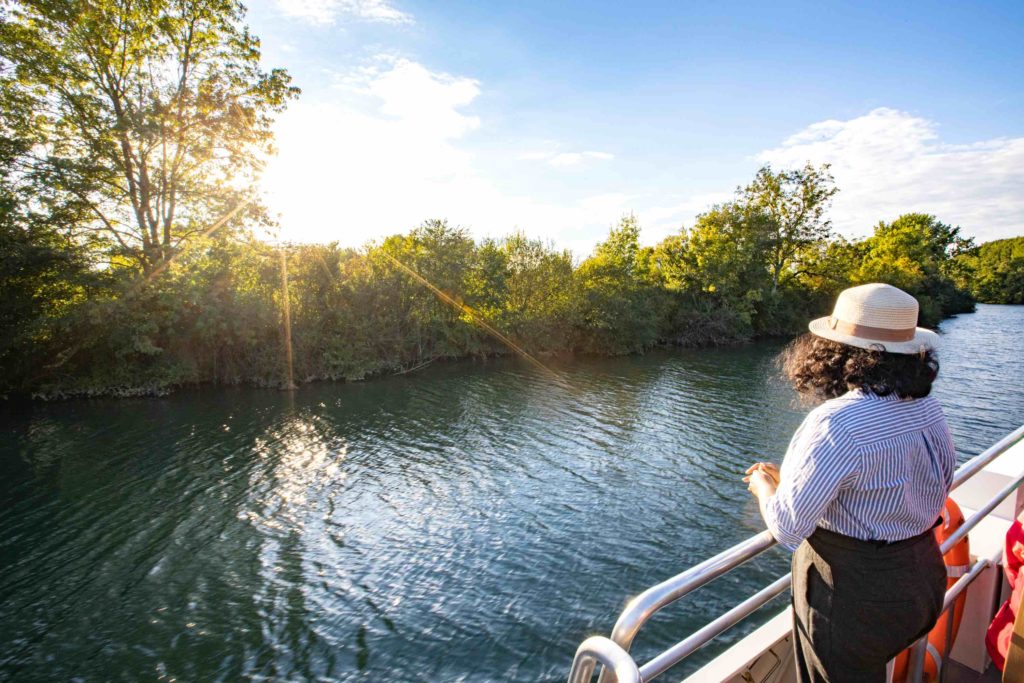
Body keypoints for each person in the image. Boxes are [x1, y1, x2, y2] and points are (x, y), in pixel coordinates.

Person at [744, 283, 957, 682]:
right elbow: (915, 484)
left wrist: (765, 486)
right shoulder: (927, 408)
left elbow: (789, 528)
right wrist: (795, 479)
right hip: (921, 581)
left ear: (836, 351)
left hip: (853, 599)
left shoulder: (836, 422)